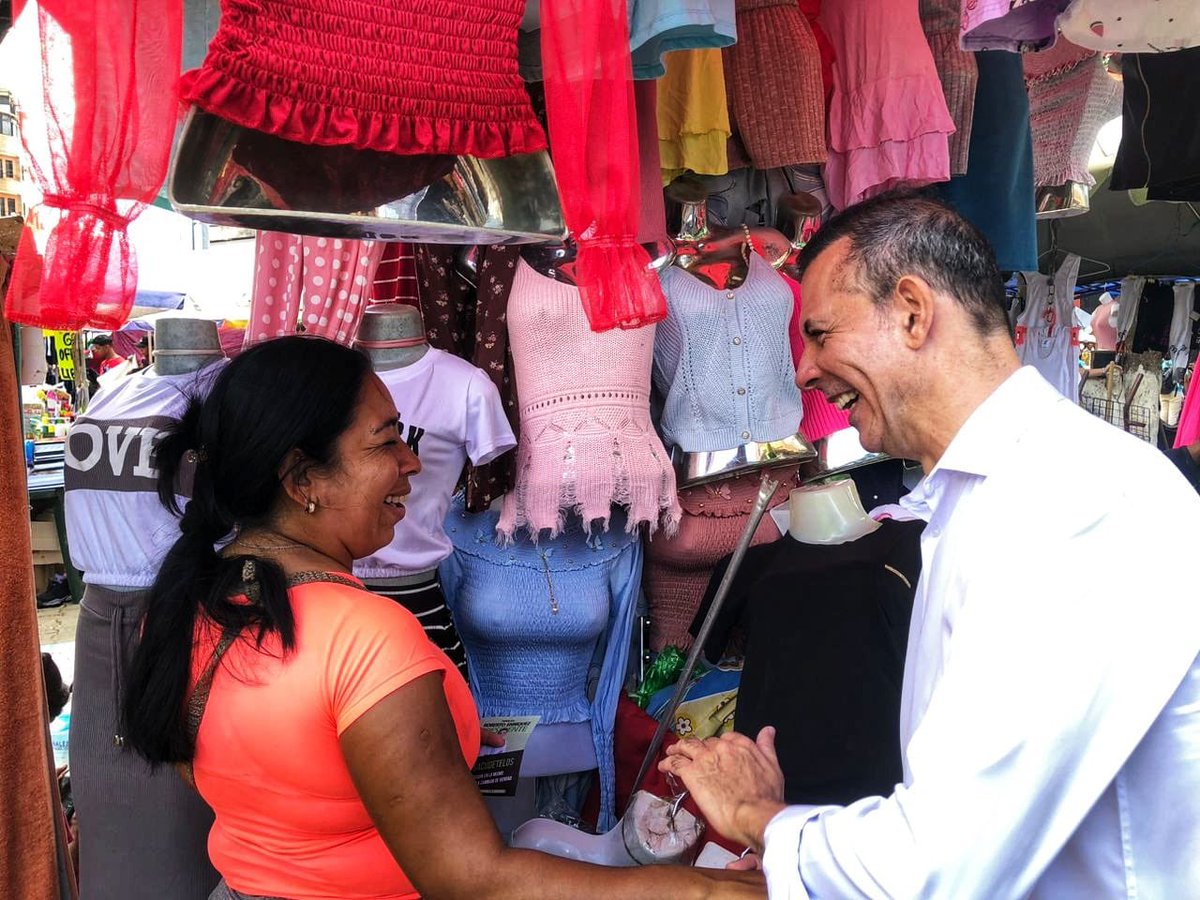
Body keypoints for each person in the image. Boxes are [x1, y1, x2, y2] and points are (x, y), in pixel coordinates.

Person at [660, 193, 1200, 898]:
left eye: (820, 334)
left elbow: (933, 869)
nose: (804, 370)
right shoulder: (977, 500)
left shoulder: (1074, 501)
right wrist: (799, 845)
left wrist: (757, 815)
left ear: (913, 312)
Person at [121, 336, 761, 900]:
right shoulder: (364, 637)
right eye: (384, 441)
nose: (411, 462)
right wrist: (707, 889)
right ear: (302, 479)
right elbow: (473, 879)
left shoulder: (184, 607)